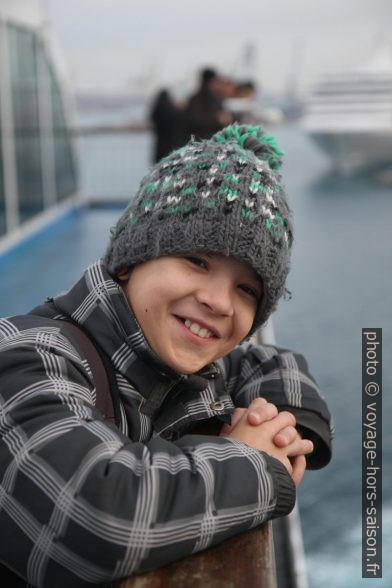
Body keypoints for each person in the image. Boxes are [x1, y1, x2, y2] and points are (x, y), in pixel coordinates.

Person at [0, 124, 333, 587]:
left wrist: (282, 423)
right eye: (198, 261)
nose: (219, 302)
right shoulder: (26, 356)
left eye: (246, 289)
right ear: (133, 258)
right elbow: (96, 518)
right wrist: (255, 463)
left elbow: (265, 362)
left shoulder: (169, 363)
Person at [183, 67, 233, 141]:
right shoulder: (196, 100)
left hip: (213, 141)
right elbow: (195, 121)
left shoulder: (216, 98)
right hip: (198, 142)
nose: (215, 85)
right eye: (213, 82)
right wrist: (217, 119)